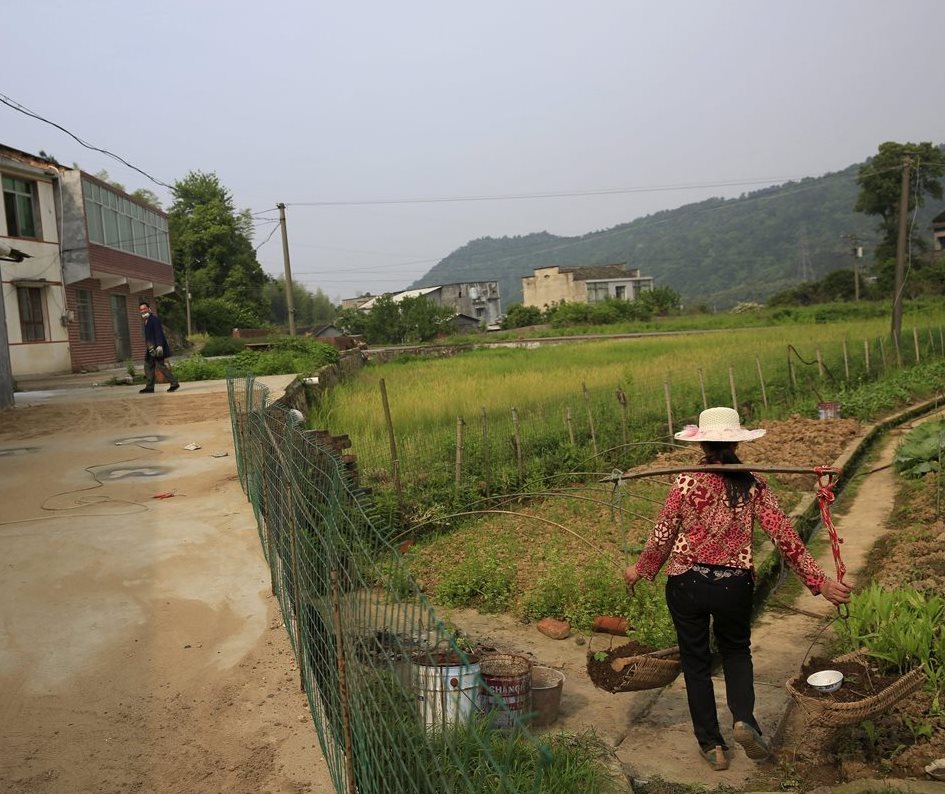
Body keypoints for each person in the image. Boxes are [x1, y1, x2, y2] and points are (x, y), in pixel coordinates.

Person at [623, 407, 851, 772]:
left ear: (704, 443)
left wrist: (640, 569)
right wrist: (818, 581)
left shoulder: (685, 480)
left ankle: (712, 745)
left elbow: (663, 533)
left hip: (686, 581)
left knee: (696, 662)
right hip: (733, 584)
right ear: (735, 441)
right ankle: (744, 720)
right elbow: (784, 535)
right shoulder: (754, 483)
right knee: (735, 652)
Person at [138, 301, 180, 393]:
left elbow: (158, 333)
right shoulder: (146, 321)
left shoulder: (154, 319)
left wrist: (160, 346)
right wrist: (149, 347)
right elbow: (149, 336)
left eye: (144, 309)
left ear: (149, 309)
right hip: (151, 348)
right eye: (141, 309)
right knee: (148, 366)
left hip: (157, 347)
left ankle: (174, 383)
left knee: (160, 366)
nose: (143, 311)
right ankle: (149, 387)